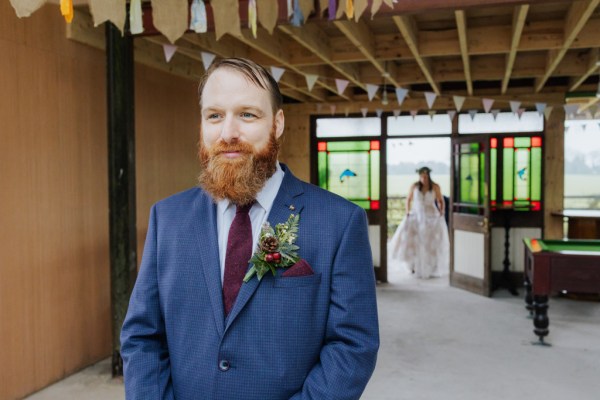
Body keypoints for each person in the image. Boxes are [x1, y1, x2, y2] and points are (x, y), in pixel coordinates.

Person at [120, 58, 379, 400]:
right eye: (214, 115)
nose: (228, 133)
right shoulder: (167, 218)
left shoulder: (340, 222)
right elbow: (142, 336)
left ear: (278, 122)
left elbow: (352, 346)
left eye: (247, 114)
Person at [388, 166, 449, 279]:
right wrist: (407, 212)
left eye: (425, 176)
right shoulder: (415, 186)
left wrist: (442, 212)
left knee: (431, 242)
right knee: (413, 240)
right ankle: (413, 265)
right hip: (416, 214)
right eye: (422, 176)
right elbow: (408, 199)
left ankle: (431, 266)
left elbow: (441, 201)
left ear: (428, 176)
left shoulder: (435, 187)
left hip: (431, 216)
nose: (423, 179)